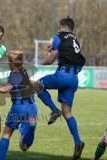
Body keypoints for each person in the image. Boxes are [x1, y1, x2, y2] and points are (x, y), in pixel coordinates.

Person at [34, 17, 86, 159]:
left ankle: (53, 110)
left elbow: (51, 59)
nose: (57, 30)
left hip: (62, 76)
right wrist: (55, 48)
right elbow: (75, 57)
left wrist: (40, 63)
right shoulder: (75, 40)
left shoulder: (59, 36)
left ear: (63, 27)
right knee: (67, 112)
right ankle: (78, 141)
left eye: (59, 27)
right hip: (74, 79)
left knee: (37, 84)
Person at [0, 51, 38, 160]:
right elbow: (18, 86)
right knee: (23, 147)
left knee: (7, 133)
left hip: (19, 108)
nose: (7, 63)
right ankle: (30, 128)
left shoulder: (15, 76)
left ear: (12, 64)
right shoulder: (24, 71)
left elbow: (3, 89)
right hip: (32, 107)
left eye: (9, 61)